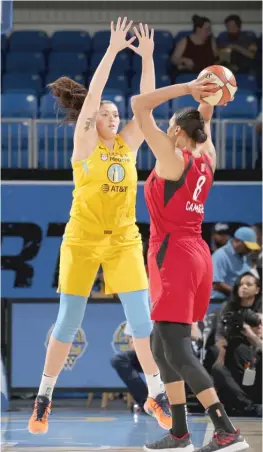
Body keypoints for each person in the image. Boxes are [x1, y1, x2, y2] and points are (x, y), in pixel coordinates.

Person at [28, 18, 171, 435]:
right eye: (105, 113)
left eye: (115, 113)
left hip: (124, 240)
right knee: (68, 321)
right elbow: (92, 98)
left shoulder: (128, 145)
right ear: (93, 120)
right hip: (82, 240)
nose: (111, 116)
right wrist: (111, 51)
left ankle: (156, 393)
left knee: (142, 323)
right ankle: (44, 397)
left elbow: (146, 105)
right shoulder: (86, 144)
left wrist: (146, 58)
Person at [131, 78, 249, 451]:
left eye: (168, 129)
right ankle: (180, 432)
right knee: (160, 344)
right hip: (196, 253)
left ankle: (226, 429)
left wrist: (188, 86)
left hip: (174, 255)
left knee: (177, 348)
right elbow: (206, 118)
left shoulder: (173, 157)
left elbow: (138, 105)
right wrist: (208, 97)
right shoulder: (206, 155)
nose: (164, 132)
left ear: (177, 131)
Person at [212, 273, 262, 417]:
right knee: (218, 368)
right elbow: (219, 336)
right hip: (233, 351)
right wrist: (221, 355)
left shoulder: (260, 307)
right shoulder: (228, 307)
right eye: (241, 284)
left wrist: (250, 334)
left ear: (257, 289)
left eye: (248, 284)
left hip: (256, 353)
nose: (243, 287)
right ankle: (248, 406)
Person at [211, 226, 260, 302]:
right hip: (219, 303)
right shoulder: (220, 255)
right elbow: (217, 284)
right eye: (247, 246)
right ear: (237, 241)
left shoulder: (245, 256)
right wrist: (240, 293)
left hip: (238, 301)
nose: (250, 250)